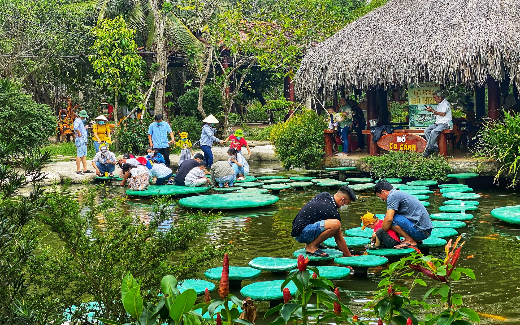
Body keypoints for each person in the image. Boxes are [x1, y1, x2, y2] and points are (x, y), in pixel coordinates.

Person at [291, 186, 356, 257]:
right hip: (301, 234)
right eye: (347, 203)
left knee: (326, 222)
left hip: (298, 229)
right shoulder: (332, 211)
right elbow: (339, 238)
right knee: (335, 224)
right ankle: (311, 246)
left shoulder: (325, 195)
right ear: (342, 200)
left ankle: (311, 244)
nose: (346, 206)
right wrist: (348, 256)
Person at [374, 180, 433, 248]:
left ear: (383, 191)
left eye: (379, 196)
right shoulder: (397, 193)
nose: (382, 199)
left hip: (421, 232)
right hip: (425, 232)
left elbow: (389, 219)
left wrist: (379, 234)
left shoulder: (392, 196)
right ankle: (414, 239)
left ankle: (410, 240)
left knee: (389, 218)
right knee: (391, 218)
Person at [423, 91, 452, 157]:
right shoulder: (439, 104)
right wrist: (432, 110)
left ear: (440, 97)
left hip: (444, 123)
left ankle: (428, 149)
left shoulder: (446, 103)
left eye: (435, 98)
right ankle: (434, 146)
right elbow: (437, 113)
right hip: (437, 123)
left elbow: (442, 114)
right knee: (426, 131)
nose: (434, 99)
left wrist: (432, 111)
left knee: (434, 132)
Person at [73, 110, 93, 175]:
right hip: (80, 140)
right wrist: (79, 133)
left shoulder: (81, 121)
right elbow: (75, 128)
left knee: (84, 155)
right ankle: (78, 169)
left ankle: (85, 169)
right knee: (79, 155)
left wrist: (84, 128)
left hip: (84, 140)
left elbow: (80, 128)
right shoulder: (77, 120)